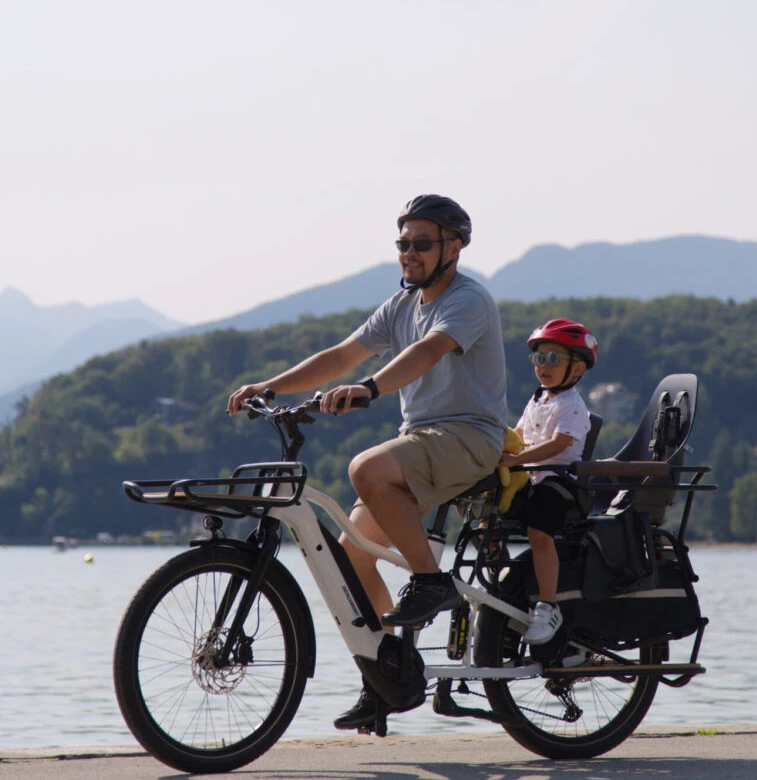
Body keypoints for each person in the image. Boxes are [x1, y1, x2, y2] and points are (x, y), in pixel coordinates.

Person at [227, 194, 508, 727]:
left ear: (455, 246)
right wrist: (270, 384)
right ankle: (385, 680)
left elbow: (425, 353)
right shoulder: (401, 304)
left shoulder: (468, 300)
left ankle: (432, 582)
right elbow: (341, 355)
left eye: (421, 244)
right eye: (402, 244)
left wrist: (370, 388)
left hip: (470, 437)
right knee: (350, 561)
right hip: (423, 440)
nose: (409, 253)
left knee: (366, 467)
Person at [498, 318, 598, 645]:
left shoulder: (572, 405)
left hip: (561, 480)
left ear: (578, 368)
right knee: (489, 508)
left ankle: (549, 604)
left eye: (553, 359)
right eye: (538, 359)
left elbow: (558, 444)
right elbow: (521, 434)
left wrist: (517, 460)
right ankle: (499, 582)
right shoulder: (539, 398)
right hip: (533, 476)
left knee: (539, 531)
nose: (543, 366)